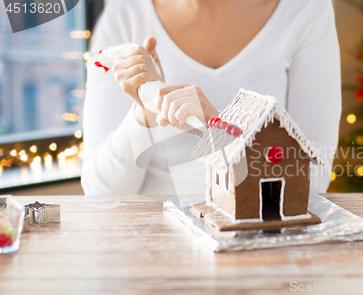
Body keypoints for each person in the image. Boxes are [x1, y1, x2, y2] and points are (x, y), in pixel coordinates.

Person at [82, 0, 341, 196]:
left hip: (260, 240)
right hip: (150, 247)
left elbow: (313, 177)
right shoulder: (124, 13)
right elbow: (101, 190)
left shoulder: (306, 10)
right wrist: (145, 109)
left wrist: (220, 132)